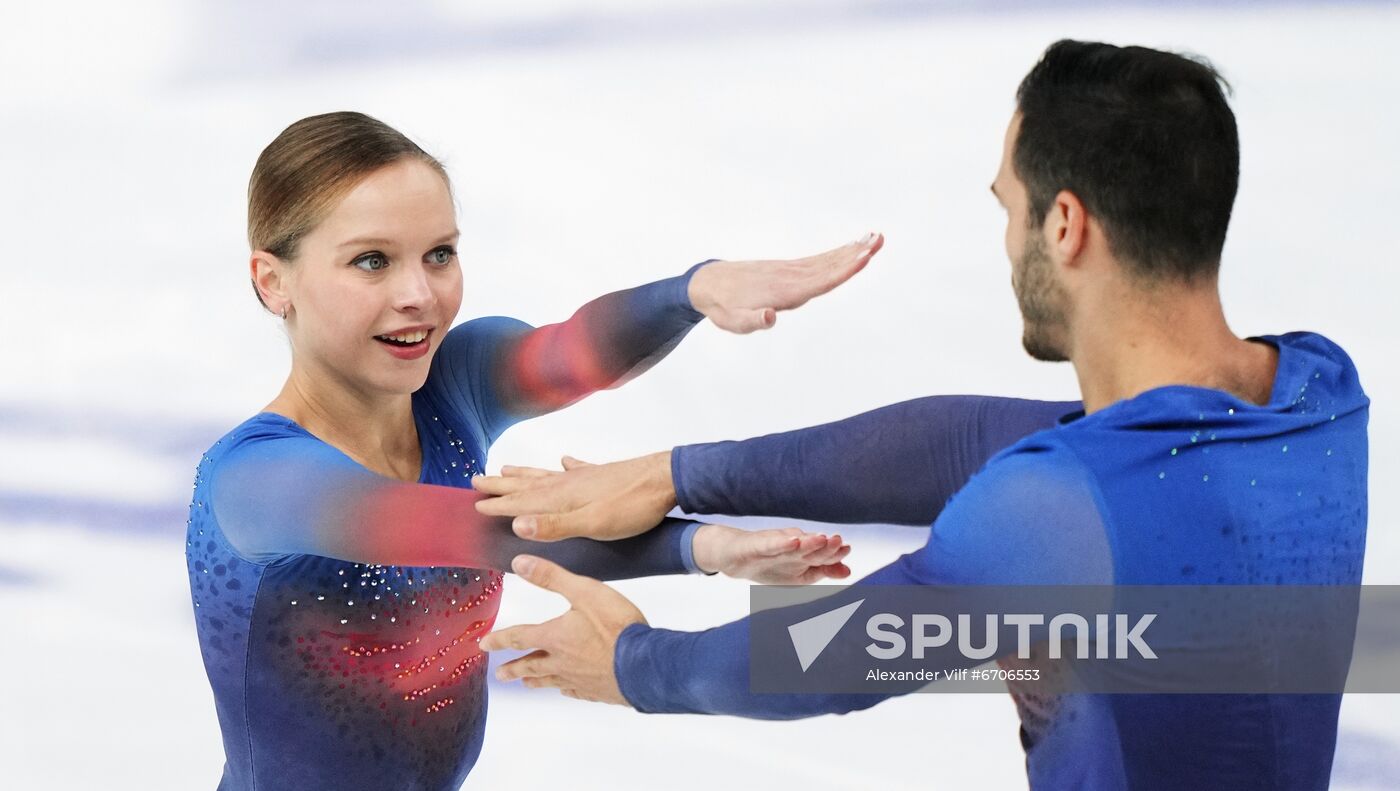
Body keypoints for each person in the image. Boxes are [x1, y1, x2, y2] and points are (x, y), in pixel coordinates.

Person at [476, 40, 1370, 790]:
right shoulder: (1319, 391)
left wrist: (634, 663)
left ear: (1065, 225)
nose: (1008, 238)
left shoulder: (1054, 509)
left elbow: (823, 663)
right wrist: (678, 471)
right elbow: (963, 437)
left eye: (1009, 208)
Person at [185, 110, 884, 790]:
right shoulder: (259, 477)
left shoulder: (453, 385)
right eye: (372, 261)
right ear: (273, 281)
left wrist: (693, 291)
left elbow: (571, 352)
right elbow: (479, 534)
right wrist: (701, 548)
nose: (418, 294)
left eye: (440, 254)